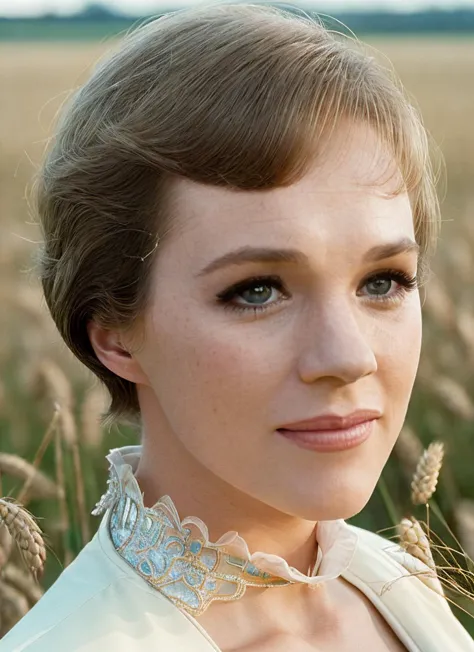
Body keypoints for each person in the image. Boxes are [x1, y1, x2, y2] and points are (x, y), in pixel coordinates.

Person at [1, 3, 472, 650]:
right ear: (112, 332)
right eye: (257, 291)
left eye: (382, 281)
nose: (349, 356)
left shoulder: (404, 584)